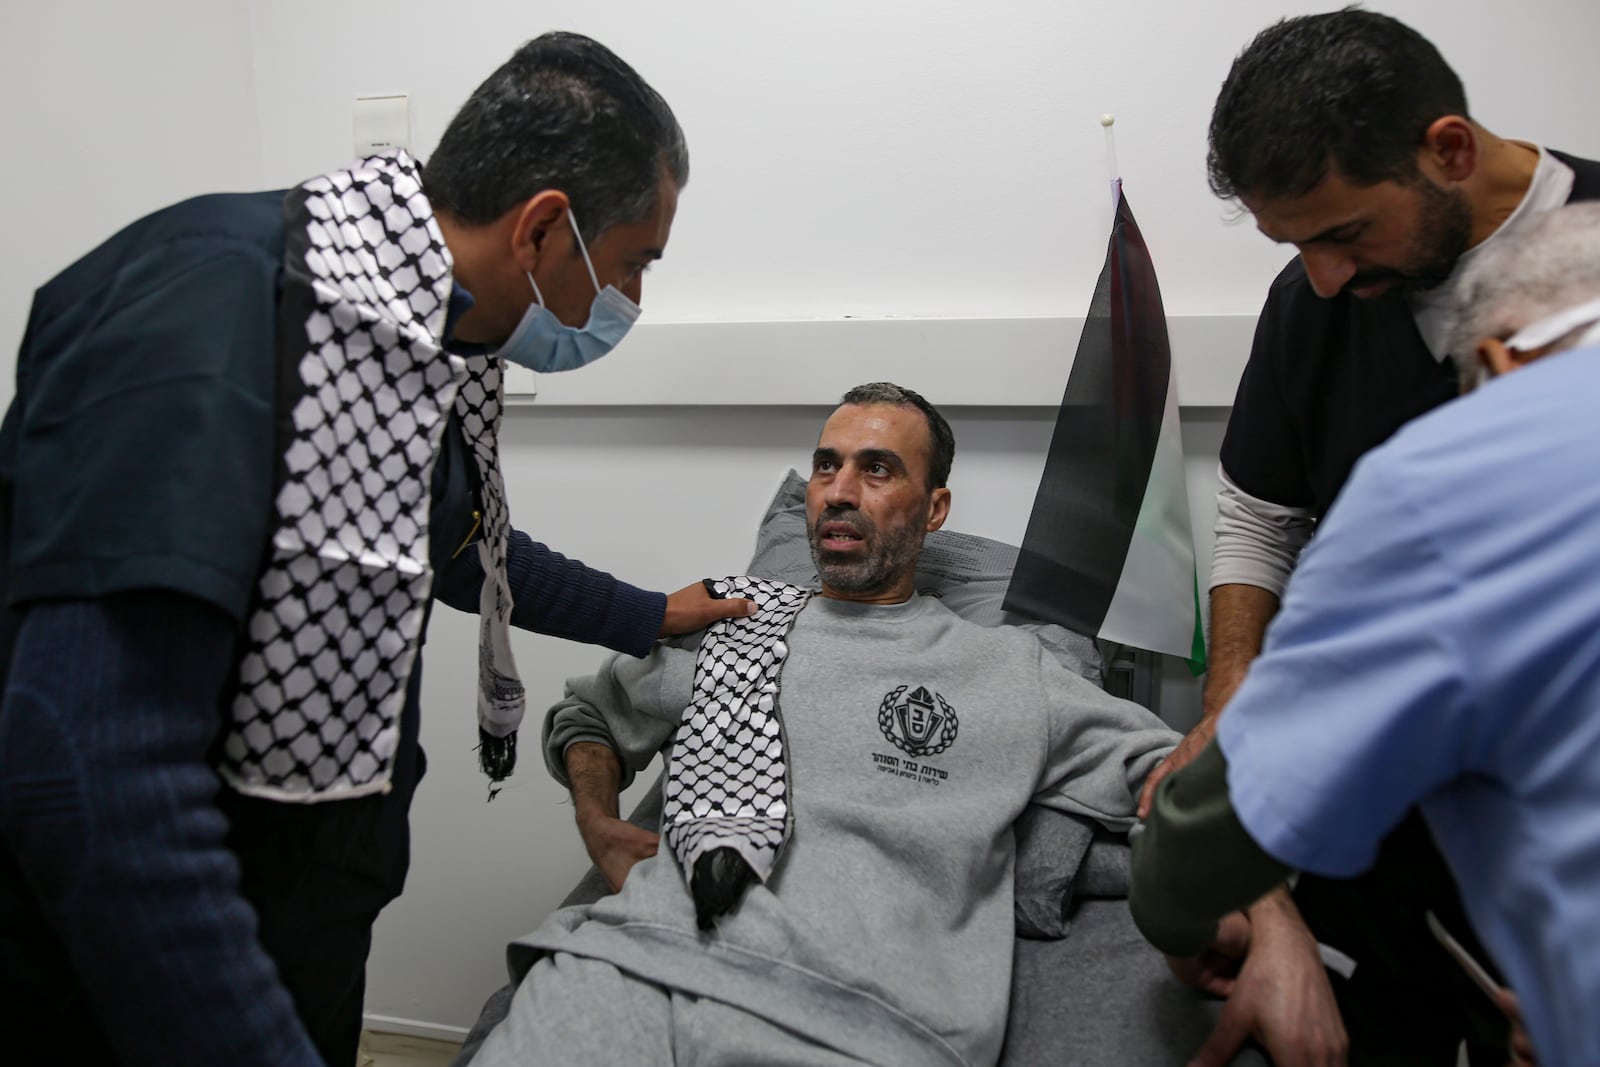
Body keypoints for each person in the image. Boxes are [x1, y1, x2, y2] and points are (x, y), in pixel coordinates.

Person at [0, 32, 754, 1067]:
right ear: (543, 229)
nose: (630, 301)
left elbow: (463, 550)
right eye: (631, 265)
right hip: (148, 948)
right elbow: (88, 771)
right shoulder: (214, 306)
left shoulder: (421, 342)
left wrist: (649, 613)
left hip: (308, 904)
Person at [466, 382, 1182, 1066]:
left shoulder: (1006, 669)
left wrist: (1251, 905)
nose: (839, 492)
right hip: (626, 965)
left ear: (934, 510)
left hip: (861, 1022)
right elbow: (587, 714)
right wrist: (599, 820)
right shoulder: (731, 623)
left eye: (877, 469)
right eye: (825, 466)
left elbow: (1177, 777)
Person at [1135, 9, 1600, 1062]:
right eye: (1296, 245)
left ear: (1447, 150)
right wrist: (1233, 701)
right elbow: (1259, 508)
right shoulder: (1310, 302)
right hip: (1394, 874)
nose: (1326, 277)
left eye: (1344, 233)